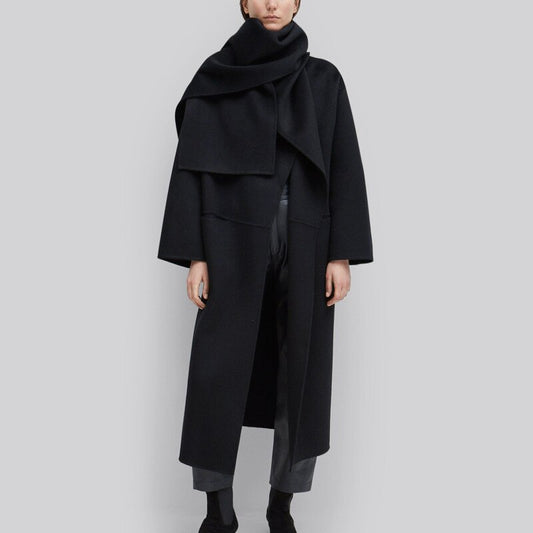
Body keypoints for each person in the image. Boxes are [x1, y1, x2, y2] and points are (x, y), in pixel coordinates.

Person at [157, 1, 374, 531]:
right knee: (216, 372)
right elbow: (190, 169)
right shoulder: (216, 76)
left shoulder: (324, 79)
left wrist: (341, 254)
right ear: (243, 3)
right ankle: (218, 511)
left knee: (302, 373)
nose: (272, 2)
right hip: (228, 238)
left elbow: (344, 162)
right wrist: (196, 254)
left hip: (309, 237)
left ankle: (282, 506)